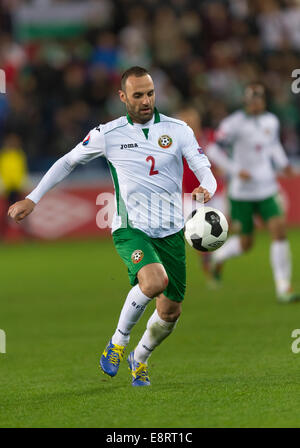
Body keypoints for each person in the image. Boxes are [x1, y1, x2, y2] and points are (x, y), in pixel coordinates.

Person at [8, 66, 217, 386]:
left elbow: (205, 169)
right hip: (130, 226)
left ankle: (140, 357)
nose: (146, 100)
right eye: (138, 95)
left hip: (172, 231)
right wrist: (33, 198)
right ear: (122, 97)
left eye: (150, 93)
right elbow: (68, 161)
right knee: (154, 281)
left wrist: (206, 188)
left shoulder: (179, 130)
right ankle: (118, 343)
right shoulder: (108, 134)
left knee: (170, 312)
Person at [206, 82, 299, 303]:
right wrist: (236, 170)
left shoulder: (271, 120)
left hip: (267, 186)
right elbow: (212, 149)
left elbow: (273, 145)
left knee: (279, 230)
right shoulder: (233, 124)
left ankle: (283, 287)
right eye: (252, 99)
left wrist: (283, 163)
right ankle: (217, 257)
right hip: (242, 192)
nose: (256, 102)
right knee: (247, 243)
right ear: (245, 101)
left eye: (259, 98)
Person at [177, 105, 227, 287]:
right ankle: (210, 271)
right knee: (199, 235)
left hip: (214, 193)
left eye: (190, 120)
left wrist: (222, 169)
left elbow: (221, 159)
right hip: (192, 196)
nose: (187, 124)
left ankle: (217, 263)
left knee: (221, 232)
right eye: (183, 121)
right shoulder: (177, 144)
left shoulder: (208, 138)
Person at [0, 133, 28, 239]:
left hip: (17, 187)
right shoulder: (4, 155)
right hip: (7, 188)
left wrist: (22, 183)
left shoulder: (19, 155)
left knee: (23, 213)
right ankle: (3, 235)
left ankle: (25, 235)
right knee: (5, 214)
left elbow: (22, 170)